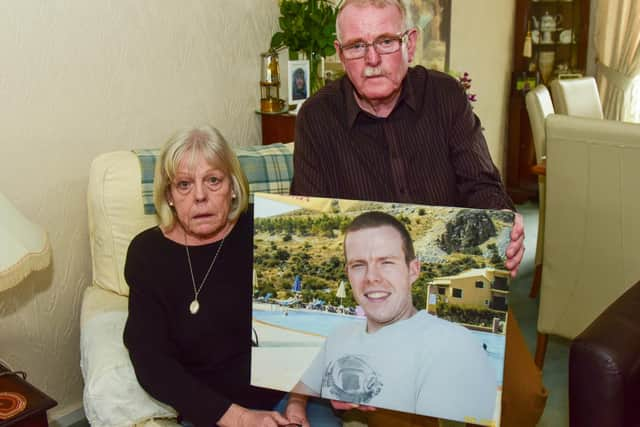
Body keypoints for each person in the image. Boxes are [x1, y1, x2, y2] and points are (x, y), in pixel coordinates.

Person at [289, 1, 546, 426]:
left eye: (385, 41)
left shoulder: (444, 96)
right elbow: (316, 231)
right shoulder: (317, 118)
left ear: (410, 42)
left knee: (523, 397)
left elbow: (482, 183)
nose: (372, 59)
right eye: (356, 46)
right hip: (378, 305)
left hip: (456, 283)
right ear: (339, 54)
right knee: (405, 415)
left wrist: (503, 222)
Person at [123, 125, 341, 427]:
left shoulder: (271, 229)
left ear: (233, 186)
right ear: (169, 195)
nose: (200, 196)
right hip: (210, 409)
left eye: (213, 180)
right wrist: (240, 419)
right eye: (184, 184)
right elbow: (151, 362)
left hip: (288, 393)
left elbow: (310, 322)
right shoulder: (147, 254)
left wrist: (297, 404)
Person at [286, 212, 498, 425]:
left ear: (413, 270)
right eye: (358, 265)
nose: (371, 277)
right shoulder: (339, 335)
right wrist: (296, 407)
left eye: (386, 262)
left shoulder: (453, 343)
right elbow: (303, 388)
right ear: (348, 273)